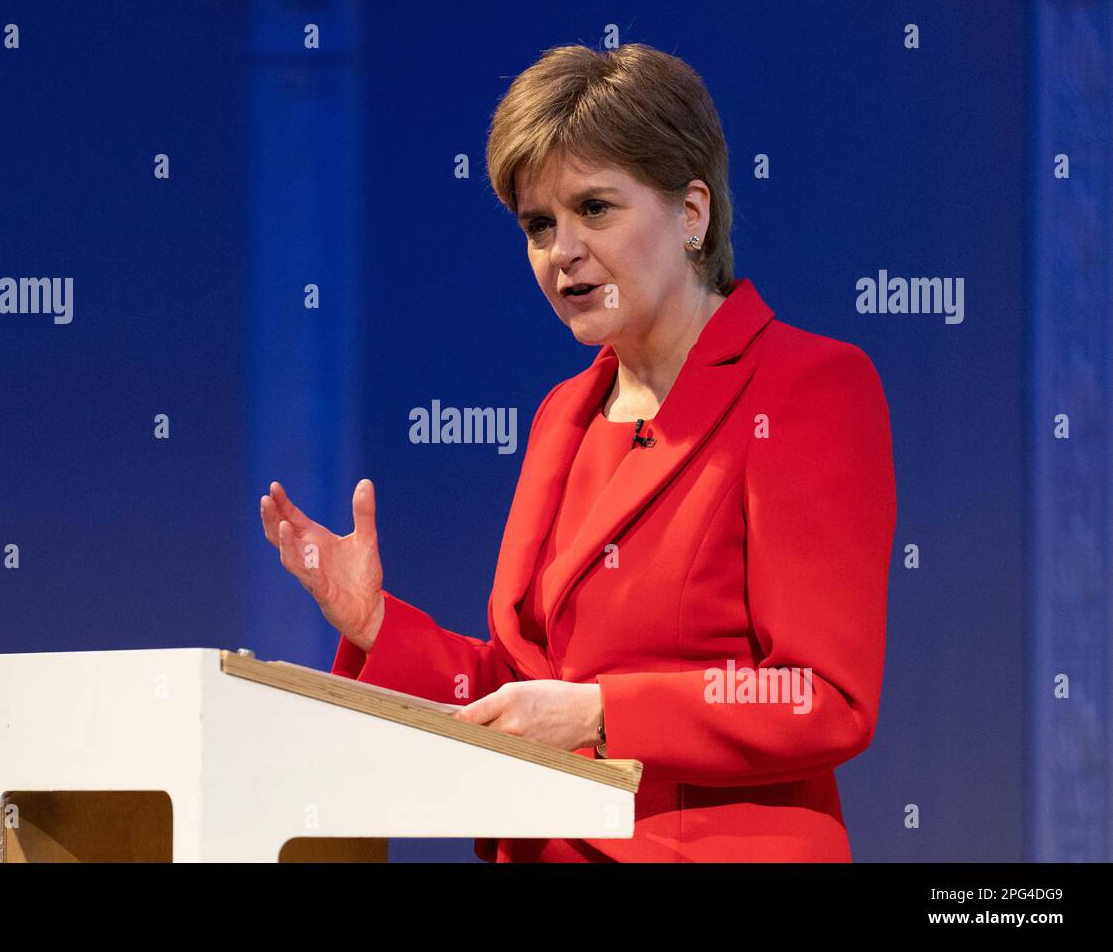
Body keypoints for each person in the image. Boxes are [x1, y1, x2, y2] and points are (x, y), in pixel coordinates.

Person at [259, 42, 896, 862]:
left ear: (692, 214)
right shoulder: (566, 413)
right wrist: (376, 625)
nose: (562, 251)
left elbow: (822, 695)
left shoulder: (807, 387)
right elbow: (521, 692)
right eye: (538, 225)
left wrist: (602, 713)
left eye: (595, 209)